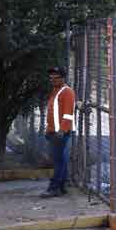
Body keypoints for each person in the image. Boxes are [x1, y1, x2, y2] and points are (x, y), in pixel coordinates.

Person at [41, 66, 75, 197]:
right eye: (51, 78)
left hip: (60, 133)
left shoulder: (67, 92)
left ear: (63, 78)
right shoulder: (56, 91)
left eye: (56, 78)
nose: (53, 80)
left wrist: (61, 130)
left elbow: (68, 114)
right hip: (53, 131)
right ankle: (61, 187)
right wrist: (49, 129)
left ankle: (54, 188)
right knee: (61, 160)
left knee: (58, 161)